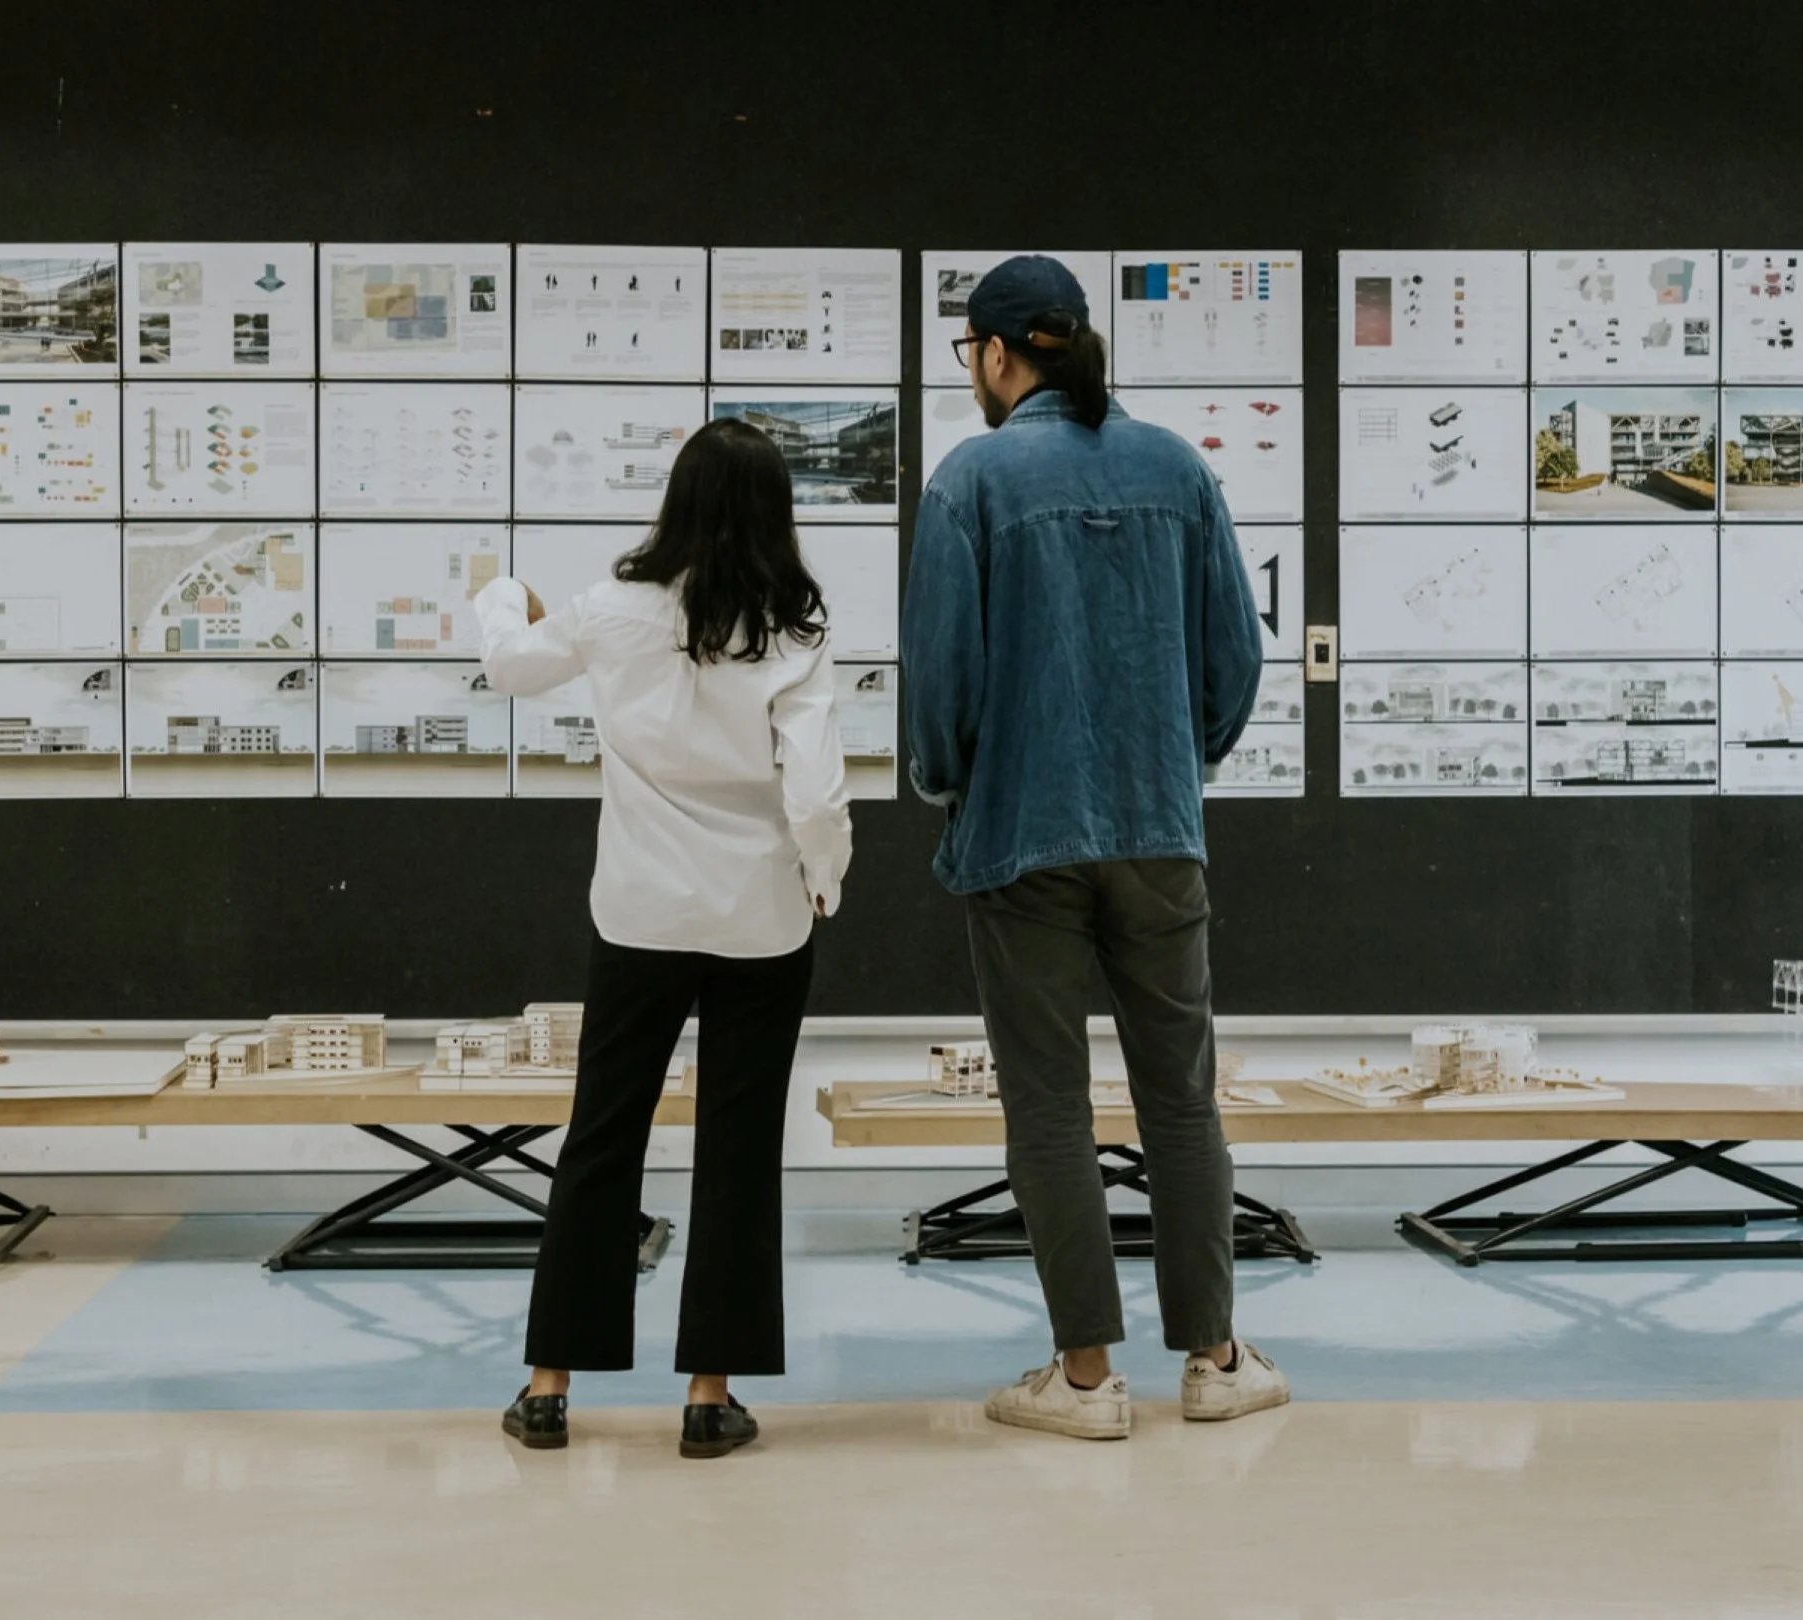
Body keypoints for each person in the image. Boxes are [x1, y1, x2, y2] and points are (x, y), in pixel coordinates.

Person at [902, 255, 1288, 1441]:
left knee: (1048, 1108)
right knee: (1182, 1102)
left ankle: (1084, 1382)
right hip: (1161, 834)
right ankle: (1217, 1360)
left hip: (1022, 839)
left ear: (999, 354)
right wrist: (1176, 758)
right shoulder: (1178, 468)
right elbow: (1236, 663)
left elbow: (941, 683)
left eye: (970, 355)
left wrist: (951, 782)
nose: (972, 374)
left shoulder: (971, 480)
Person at [478, 417, 850, 1460]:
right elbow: (816, 790)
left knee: (603, 1133)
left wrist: (503, 594)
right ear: (775, 516)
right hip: (760, 918)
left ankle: (548, 1388)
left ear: (675, 502)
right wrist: (825, 876)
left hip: (639, 911)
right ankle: (708, 1397)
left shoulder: (612, 608)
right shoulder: (794, 627)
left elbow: (507, 666)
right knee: (739, 1148)